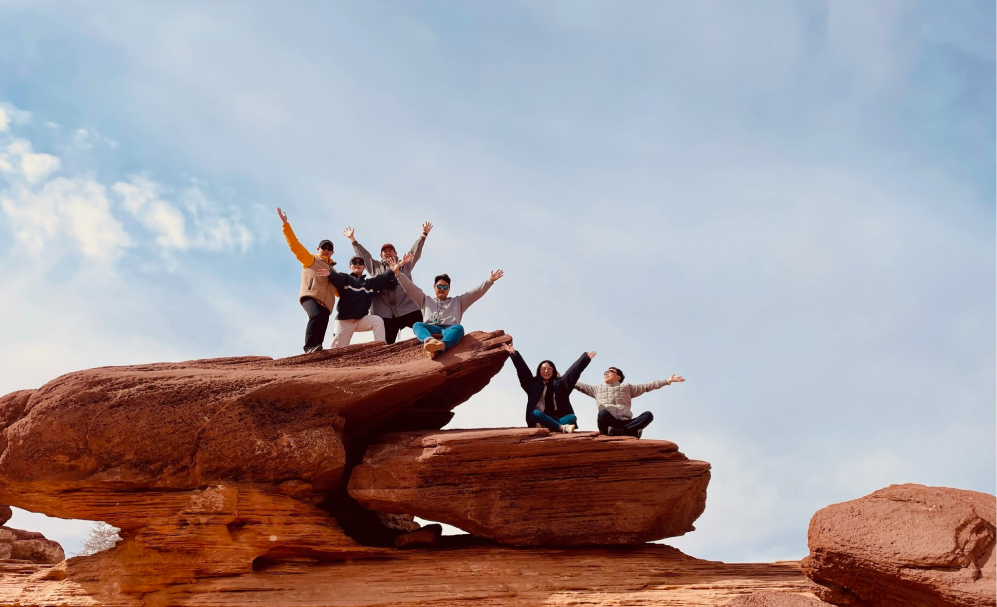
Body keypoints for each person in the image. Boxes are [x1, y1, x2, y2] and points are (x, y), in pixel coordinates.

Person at [388, 252, 503, 358]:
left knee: (459, 328)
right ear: (434, 287)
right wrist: (398, 273)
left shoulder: (458, 301)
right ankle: (429, 341)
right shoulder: (425, 300)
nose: (442, 289)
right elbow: (410, 288)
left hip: (449, 329)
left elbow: (474, 293)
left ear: (449, 289)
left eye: (445, 287)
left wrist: (489, 281)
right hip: (431, 328)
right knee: (417, 325)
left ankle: (440, 346)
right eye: (439, 286)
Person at [344, 222, 433, 345]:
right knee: (386, 345)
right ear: (381, 255)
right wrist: (352, 239)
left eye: (391, 250)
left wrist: (423, 235)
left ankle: (436, 345)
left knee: (426, 327)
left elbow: (415, 252)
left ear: (395, 253)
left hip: (407, 308)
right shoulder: (375, 267)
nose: (388, 252)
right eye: (385, 251)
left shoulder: (404, 264)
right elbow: (364, 255)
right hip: (385, 313)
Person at [277, 206, 338, 353]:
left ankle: (317, 349)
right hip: (310, 296)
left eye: (329, 248)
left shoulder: (334, 272)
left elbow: (341, 291)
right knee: (315, 315)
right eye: (324, 247)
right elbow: (295, 245)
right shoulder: (310, 259)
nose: (326, 250)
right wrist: (285, 224)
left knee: (323, 322)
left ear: (332, 252)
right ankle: (309, 347)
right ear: (318, 249)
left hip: (326, 303)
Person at [501, 343, 595, 433]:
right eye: (543, 369)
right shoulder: (533, 384)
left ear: (553, 371)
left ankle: (547, 425)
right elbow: (523, 371)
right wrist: (515, 354)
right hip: (540, 417)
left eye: (549, 369)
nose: (546, 371)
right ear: (539, 371)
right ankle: (561, 427)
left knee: (572, 417)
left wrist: (585, 359)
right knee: (535, 413)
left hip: (556, 418)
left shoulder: (561, 384)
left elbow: (572, 373)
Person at [574, 367, 685, 438]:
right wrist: (564, 376)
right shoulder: (597, 389)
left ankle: (622, 431)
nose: (606, 373)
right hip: (608, 424)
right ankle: (630, 431)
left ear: (618, 377)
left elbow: (647, 386)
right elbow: (577, 384)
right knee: (602, 414)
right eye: (605, 372)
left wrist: (667, 381)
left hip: (625, 422)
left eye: (610, 371)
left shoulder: (628, 388)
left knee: (648, 415)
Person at [316, 255, 398, 348]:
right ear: (350, 267)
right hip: (344, 321)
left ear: (364, 267)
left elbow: (383, 277)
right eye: (354, 262)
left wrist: (393, 269)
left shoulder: (369, 284)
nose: (357, 264)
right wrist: (330, 273)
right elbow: (338, 277)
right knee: (336, 349)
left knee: (377, 320)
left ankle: (381, 348)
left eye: (360, 263)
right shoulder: (346, 279)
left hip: (361, 320)